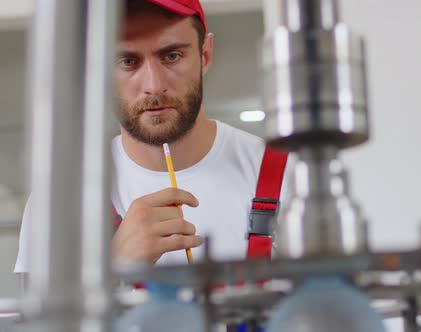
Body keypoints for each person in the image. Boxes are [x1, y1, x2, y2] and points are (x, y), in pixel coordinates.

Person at [14, 0, 292, 272]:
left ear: (205, 54)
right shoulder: (58, 202)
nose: (154, 86)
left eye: (172, 56)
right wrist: (113, 267)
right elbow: (33, 318)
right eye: (127, 61)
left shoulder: (289, 177)